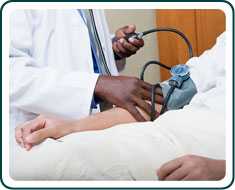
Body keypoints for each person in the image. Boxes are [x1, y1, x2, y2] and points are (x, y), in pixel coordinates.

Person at [12, 31, 226, 180]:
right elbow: (163, 100)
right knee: (31, 156)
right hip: (158, 129)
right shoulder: (227, 42)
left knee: (41, 165)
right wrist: (70, 126)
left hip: (201, 149)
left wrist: (223, 170)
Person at [10, 9, 162, 136]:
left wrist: (113, 50)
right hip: (33, 131)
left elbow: (78, 44)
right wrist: (96, 85)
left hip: (95, 127)